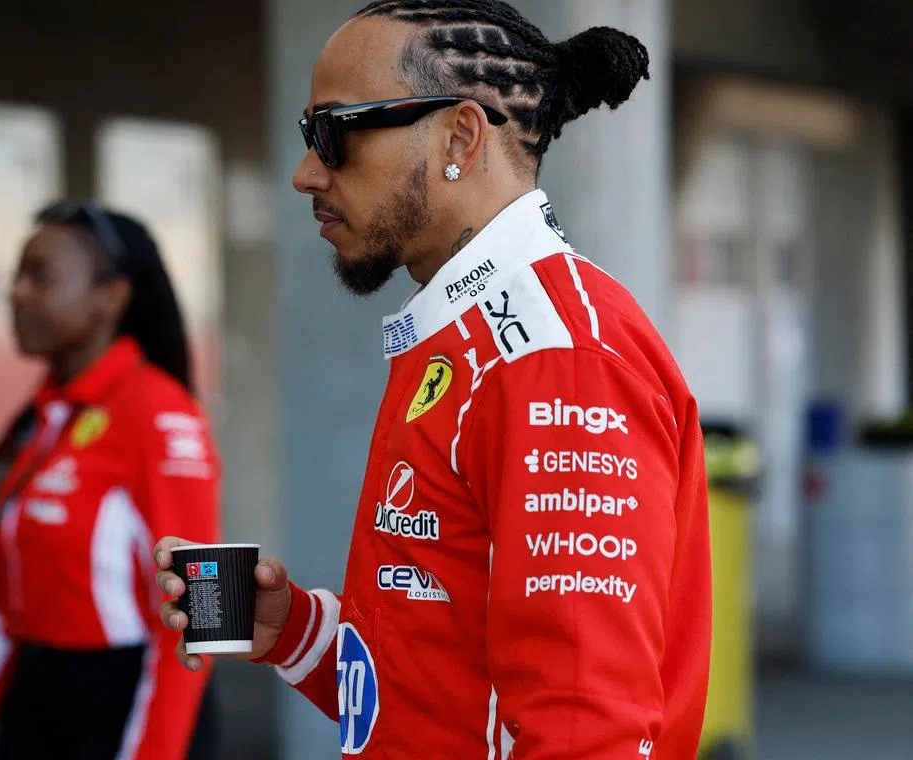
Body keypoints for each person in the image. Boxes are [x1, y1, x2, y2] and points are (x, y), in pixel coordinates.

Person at [157, 1, 712, 757]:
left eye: (334, 132)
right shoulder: (469, 336)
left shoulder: (556, 358)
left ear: (459, 136)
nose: (305, 172)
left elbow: (589, 730)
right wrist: (293, 632)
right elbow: (437, 689)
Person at [0, 200, 220, 760]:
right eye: (17, 275)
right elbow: (10, 608)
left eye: (41, 277)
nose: (15, 292)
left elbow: (202, 612)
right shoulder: (41, 419)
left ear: (111, 297)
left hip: (127, 710)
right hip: (35, 710)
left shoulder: (162, 415)